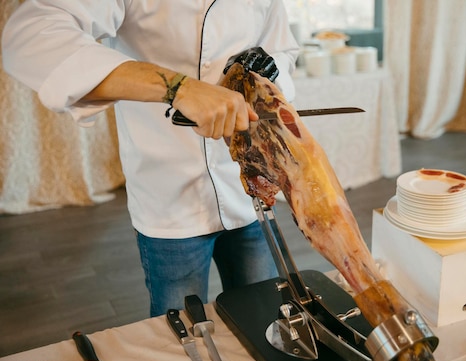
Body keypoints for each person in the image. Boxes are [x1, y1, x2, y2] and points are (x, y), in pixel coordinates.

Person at [2, 0, 300, 316]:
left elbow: (283, 49)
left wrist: (269, 67)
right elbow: (31, 36)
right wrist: (179, 88)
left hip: (248, 185)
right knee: (184, 333)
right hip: (168, 195)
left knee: (265, 315)